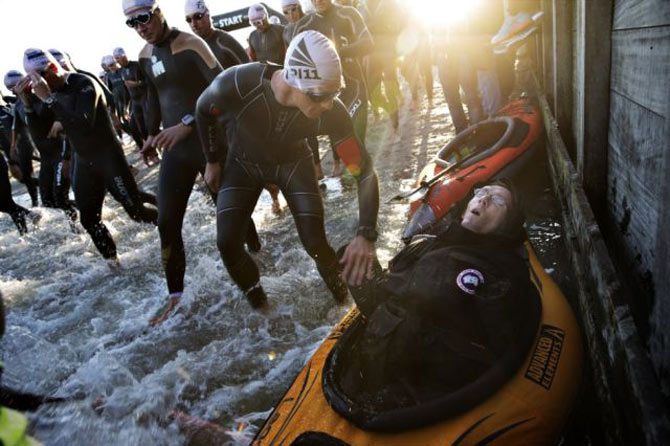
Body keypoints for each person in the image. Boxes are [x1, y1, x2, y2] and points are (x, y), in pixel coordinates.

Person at [196, 30, 380, 308]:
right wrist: (212, 160)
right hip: (242, 165)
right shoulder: (238, 83)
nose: (329, 104)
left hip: (293, 165)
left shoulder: (333, 113)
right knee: (227, 243)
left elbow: (363, 172)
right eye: (321, 95)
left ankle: (344, 303)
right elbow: (202, 110)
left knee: (316, 244)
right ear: (296, 81)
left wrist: (365, 233)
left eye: (335, 93)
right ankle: (259, 304)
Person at [337, 179, 540, 409]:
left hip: (423, 394)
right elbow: (390, 297)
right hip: (376, 365)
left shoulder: (502, 273)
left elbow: (492, 350)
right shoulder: (429, 245)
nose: (483, 198)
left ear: (506, 225)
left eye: (497, 201)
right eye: (481, 191)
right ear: (467, 204)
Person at [123, 0, 260, 325]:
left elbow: (221, 90)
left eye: (144, 19)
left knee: (228, 214)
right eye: (132, 23)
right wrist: (149, 135)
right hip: (177, 152)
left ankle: (255, 250)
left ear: (157, 12)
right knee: (166, 223)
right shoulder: (145, 55)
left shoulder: (191, 44)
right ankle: (175, 297)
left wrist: (186, 123)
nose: (141, 27)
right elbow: (156, 96)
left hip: (208, 143)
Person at [17, 48, 158, 264]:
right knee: (89, 220)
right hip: (83, 162)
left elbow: (83, 124)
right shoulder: (48, 94)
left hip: (108, 158)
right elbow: (41, 137)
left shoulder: (83, 84)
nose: (39, 84)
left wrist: (49, 100)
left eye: (41, 77)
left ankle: (173, 225)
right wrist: (27, 104)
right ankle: (114, 265)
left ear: (53, 68)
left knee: (136, 212)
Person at [292, 0, 373, 175]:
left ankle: (363, 180)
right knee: (348, 152)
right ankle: (358, 182)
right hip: (328, 99)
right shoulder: (303, 26)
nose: (318, 1)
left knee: (357, 142)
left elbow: (368, 43)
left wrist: (333, 53)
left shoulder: (348, 14)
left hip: (354, 89)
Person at [281, 0, 325, 181]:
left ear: (299, 8)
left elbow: (326, 47)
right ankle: (317, 166)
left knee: (331, 120)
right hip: (301, 81)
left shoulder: (313, 21)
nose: (291, 15)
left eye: (294, 10)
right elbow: (287, 58)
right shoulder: (285, 31)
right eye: (286, 12)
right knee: (309, 126)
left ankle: (338, 162)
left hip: (320, 76)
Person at [2, 71, 39, 207]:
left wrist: (15, 147)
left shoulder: (8, 107)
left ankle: (35, 202)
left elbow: (17, 127)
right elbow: (14, 128)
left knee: (27, 176)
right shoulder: (15, 104)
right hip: (14, 148)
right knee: (24, 178)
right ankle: (37, 198)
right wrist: (11, 149)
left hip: (25, 144)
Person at [184, 0, 249, 69]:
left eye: (198, 16)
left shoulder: (223, 41)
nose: (193, 24)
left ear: (208, 15)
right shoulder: (193, 48)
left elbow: (249, 70)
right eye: (189, 19)